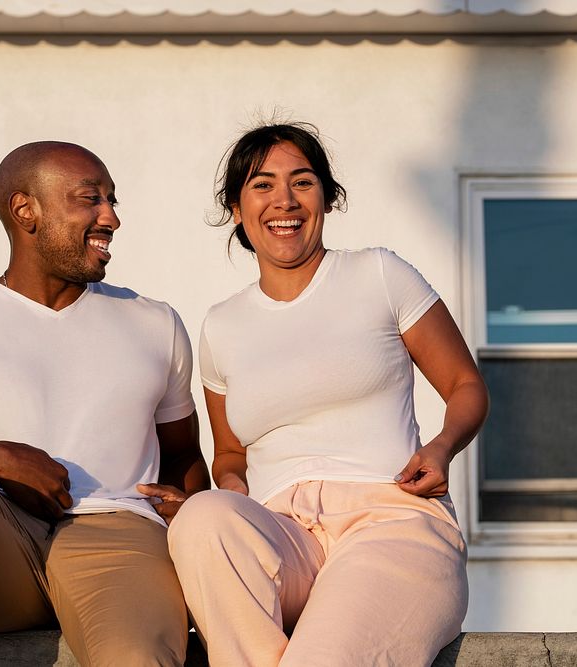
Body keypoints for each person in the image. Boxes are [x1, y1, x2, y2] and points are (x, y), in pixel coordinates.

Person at [0, 141, 209, 667]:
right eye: (90, 199)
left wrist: (196, 522)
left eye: (113, 200)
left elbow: (184, 456)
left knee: (138, 659)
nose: (111, 217)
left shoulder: (156, 324)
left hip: (118, 537)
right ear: (25, 210)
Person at [167, 123, 489, 667]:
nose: (284, 201)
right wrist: (225, 490)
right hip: (286, 536)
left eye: (303, 182)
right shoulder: (222, 325)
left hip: (392, 521)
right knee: (204, 518)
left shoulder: (378, 274)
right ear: (236, 207)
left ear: (327, 196)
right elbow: (229, 455)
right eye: (262, 185)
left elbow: (465, 385)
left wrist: (441, 448)